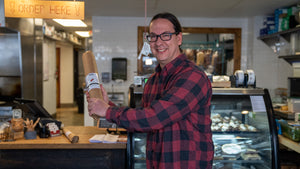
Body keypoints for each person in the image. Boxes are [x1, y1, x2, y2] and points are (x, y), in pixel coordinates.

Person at [87, 12, 214, 169]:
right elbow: (143, 119)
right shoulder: (152, 81)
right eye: (153, 36)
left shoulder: (193, 76)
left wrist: (107, 111)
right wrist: (108, 105)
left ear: (179, 38)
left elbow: (155, 117)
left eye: (165, 35)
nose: (158, 42)